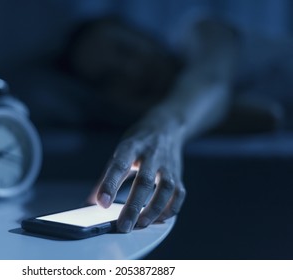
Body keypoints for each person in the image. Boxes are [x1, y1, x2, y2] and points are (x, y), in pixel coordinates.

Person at [57, 16, 282, 233]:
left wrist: (161, 128)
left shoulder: (201, 30)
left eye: (126, 49)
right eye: (110, 79)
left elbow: (211, 80)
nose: (131, 72)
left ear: (142, 34)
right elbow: (263, 116)